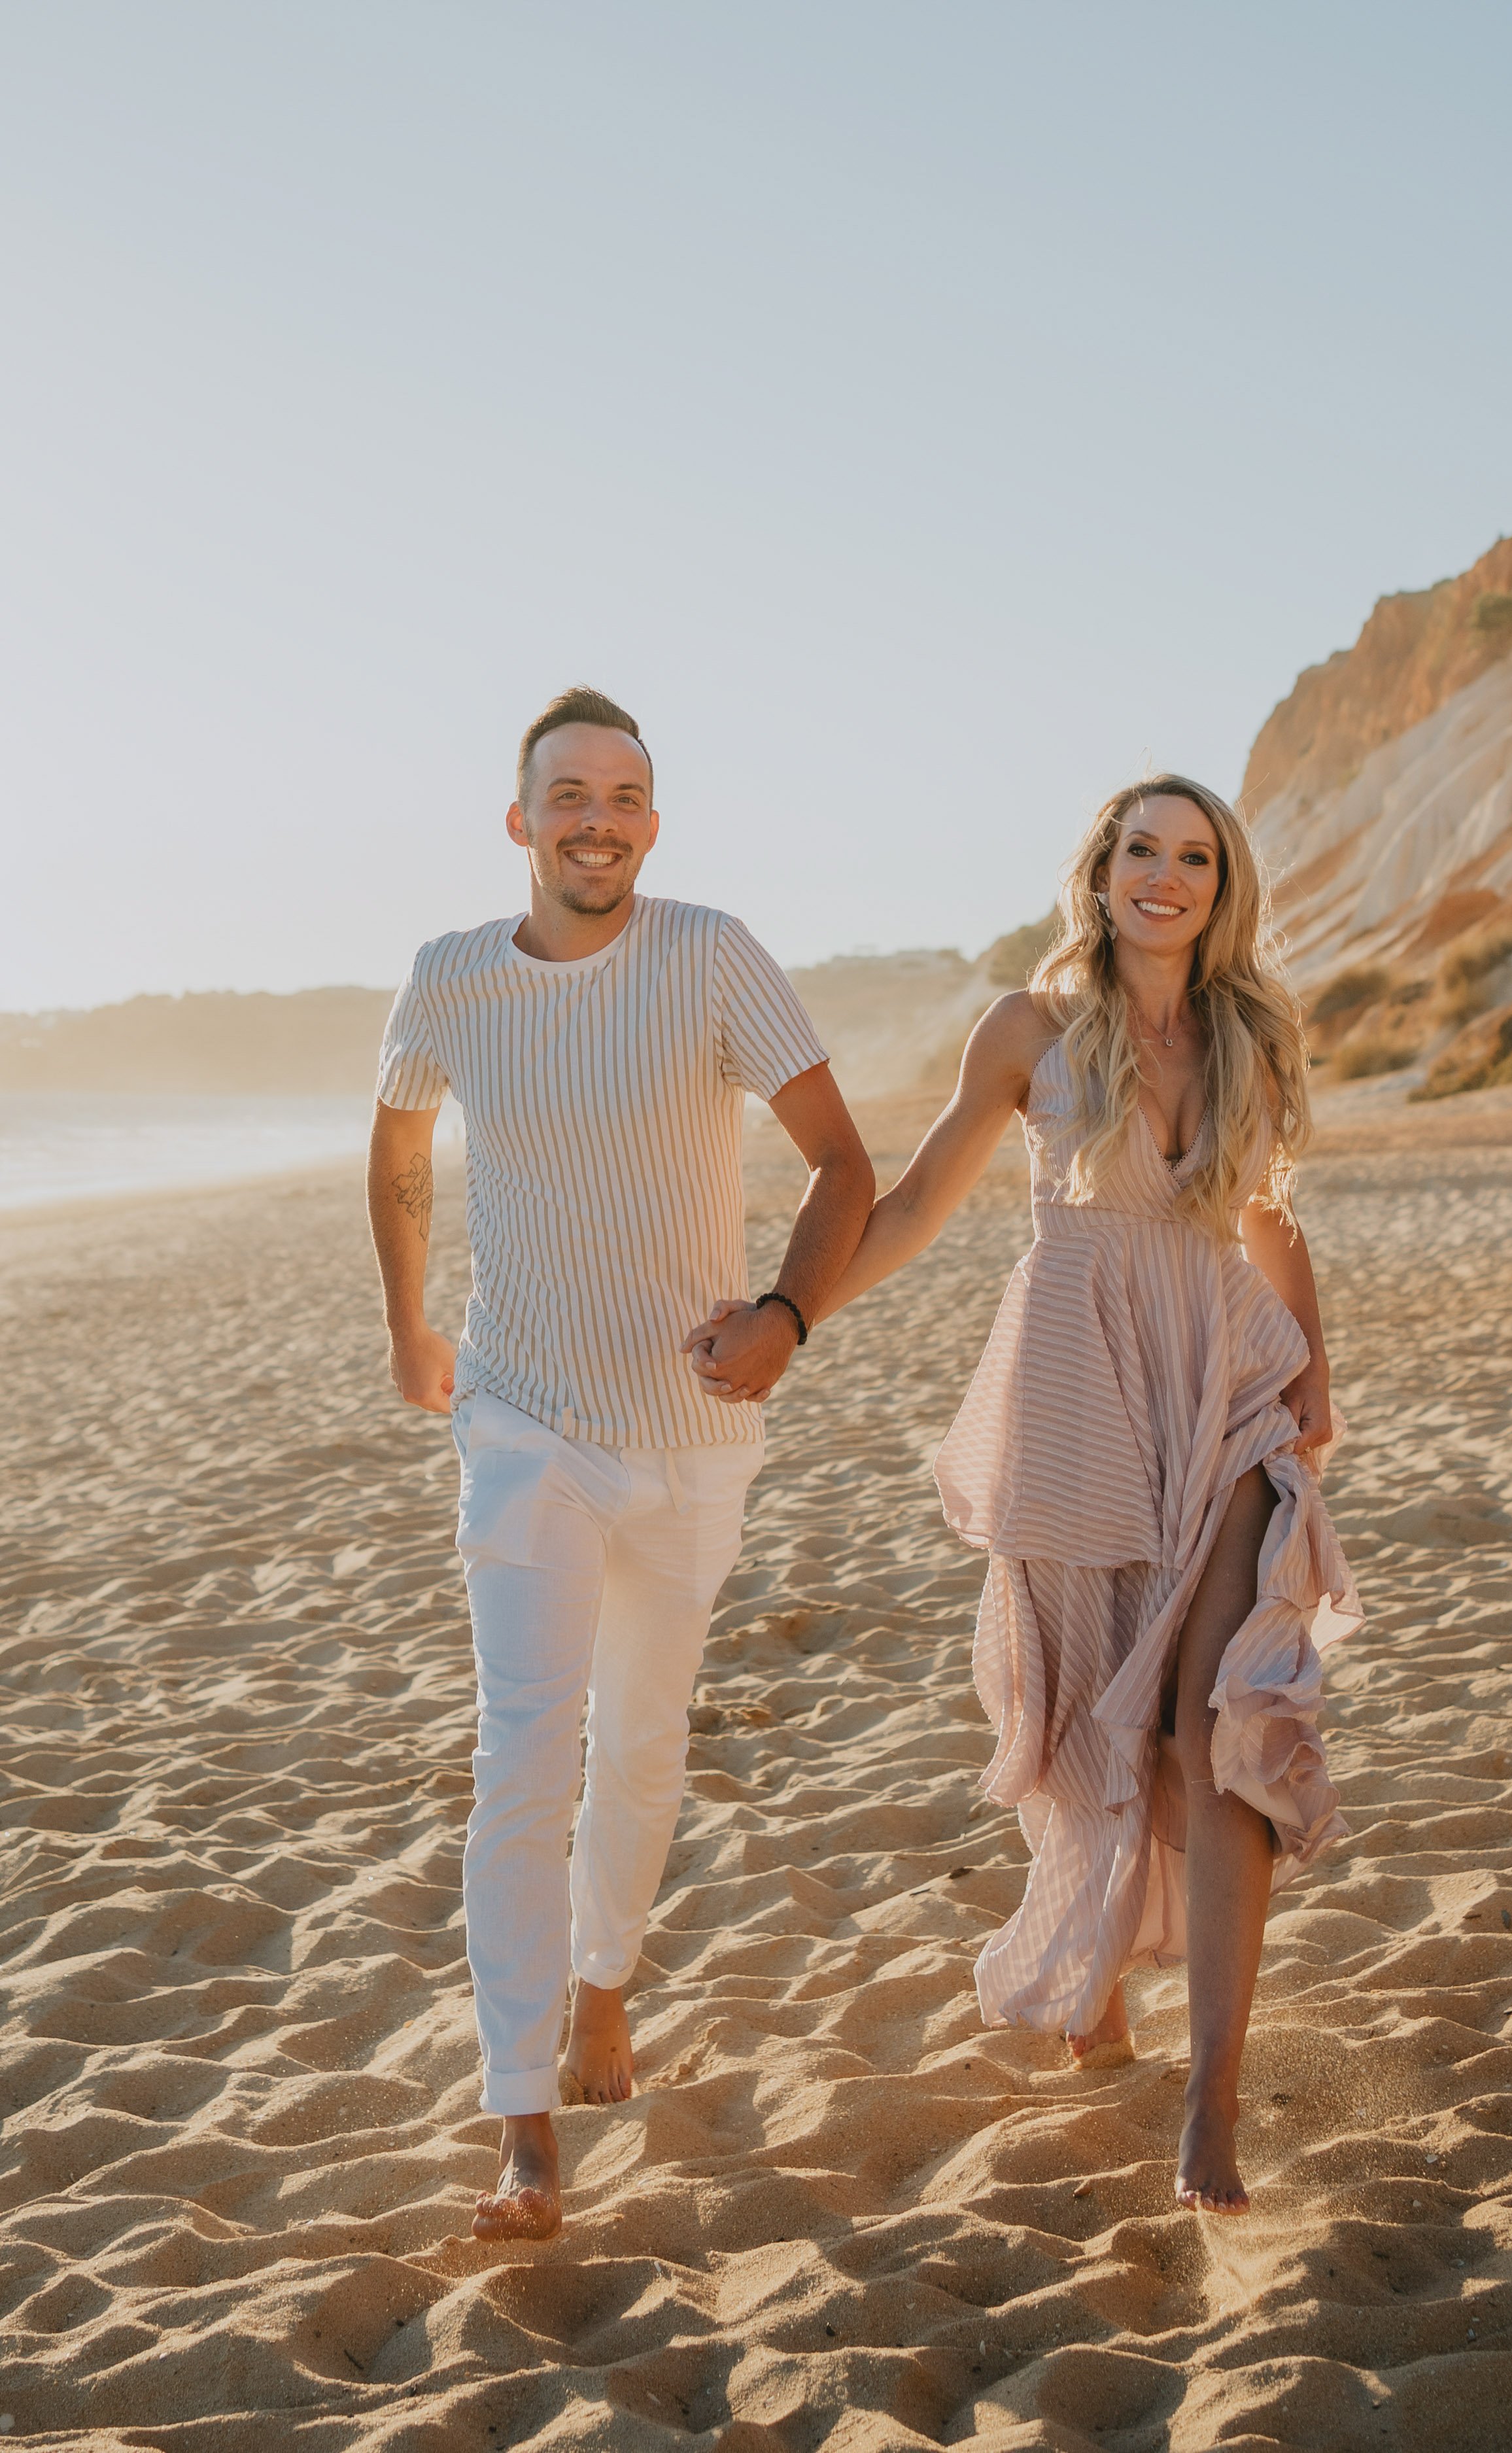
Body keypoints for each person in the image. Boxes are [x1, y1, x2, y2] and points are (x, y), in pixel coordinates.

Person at [689, 773, 1362, 2214]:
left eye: (1193, 857)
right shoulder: (1028, 1028)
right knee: (1085, 1711)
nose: (1164, 876)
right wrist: (789, 1317)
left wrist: (1313, 1363)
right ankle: (1095, 1977)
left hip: (1222, 1392)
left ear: (1221, 886)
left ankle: (1211, 2101)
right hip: (1074, 1401)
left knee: (1220, 1718)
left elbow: (1265, 1213)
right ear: (1101, 871)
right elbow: (918, 1204)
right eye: (1141, 850)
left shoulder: (1248, 1033)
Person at [368, 686, 874, 2243]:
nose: (599, 819)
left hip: (693, 1434)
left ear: (653, 822)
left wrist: (788, 1314)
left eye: (626, 795)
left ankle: (604, 1981)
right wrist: (408, 1329)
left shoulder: (711, 955)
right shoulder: (450, 978)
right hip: (523, 1423)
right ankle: (521, 2124)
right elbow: (397, 1150)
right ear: (519, 820)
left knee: (641, 1747)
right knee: (524, 1760)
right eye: (570, 794)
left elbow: (843, 1163)